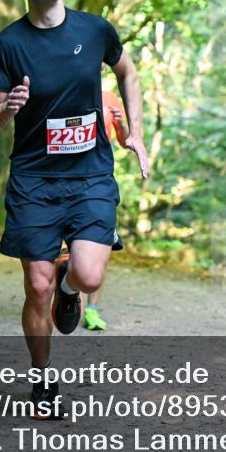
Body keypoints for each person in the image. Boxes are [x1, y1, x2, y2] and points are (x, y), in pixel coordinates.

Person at [0, 0, 148, 415]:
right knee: (36, 287)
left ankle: (70, 292)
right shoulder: (10, 44)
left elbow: (127, 73)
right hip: (34, 180)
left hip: (90, 174)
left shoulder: (95, 30)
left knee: (88, 273)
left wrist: (135, 131)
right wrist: (5, 109)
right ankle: (43, 382)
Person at [79, 90, 130, 331]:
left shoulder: (109, 97)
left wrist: (121, 124)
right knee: (70, 248)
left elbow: (124, 140)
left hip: (98, 179)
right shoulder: (62, 88)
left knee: (100, 246)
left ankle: (92, 309)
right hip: (64, 177)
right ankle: (70, 302)